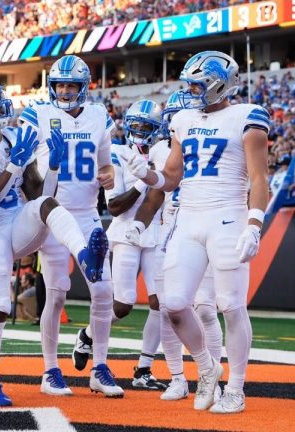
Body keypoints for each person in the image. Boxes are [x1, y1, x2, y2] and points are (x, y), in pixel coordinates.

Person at [0, 75, 110, 406]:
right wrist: (15, 164)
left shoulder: (10, 136)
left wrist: (52, 168)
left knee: (48, 205)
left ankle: (85, 257)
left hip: (16, 221)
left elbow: (39, 195)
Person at [130, 51, 270, 414]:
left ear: (220, 84)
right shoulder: (182, 119)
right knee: (174, 304)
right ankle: (208, 368)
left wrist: (254, 224)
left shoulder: (247, 116)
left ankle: (236, 390)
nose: (191, 90)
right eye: (189, 83)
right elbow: (172, 177)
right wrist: (147, 175)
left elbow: (259, 179)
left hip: (228, 216)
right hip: (188, 218)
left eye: (198, 83)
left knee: (231, 306)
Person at [19, 55, 119, 397]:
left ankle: (100, 367)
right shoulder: (37, 115)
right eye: (59, 84)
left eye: (70, 85)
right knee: (57, 293)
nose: (63, 91)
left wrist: (108, 175)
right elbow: (25, 172)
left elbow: (106, 165)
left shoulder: (99, 115)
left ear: (83, 87)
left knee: (104, 291)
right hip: (53, 213)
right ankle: (50, 370)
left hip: (88, 212)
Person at [128, 90, 224, 402]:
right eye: (170, 119)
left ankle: (214, 377)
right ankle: (178, 378)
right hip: (168, 236)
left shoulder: (213, 146)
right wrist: (140, 224)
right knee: (170, 308)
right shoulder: (161, 151)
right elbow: (156, 194)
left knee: (206, 310)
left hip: (203, 231)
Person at [103, 99, 168, 391]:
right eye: (136, 125)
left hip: (154, 231)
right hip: (125, 231)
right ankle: (89, 335)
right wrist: (144, 180)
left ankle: (143, 369)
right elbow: (114, 206)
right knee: (123, 304)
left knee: (161, 303)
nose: (140, 131)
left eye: (147, 127)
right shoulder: (116, 154)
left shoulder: (161, 152)